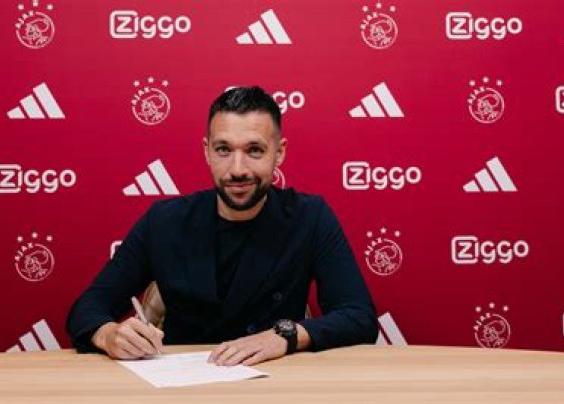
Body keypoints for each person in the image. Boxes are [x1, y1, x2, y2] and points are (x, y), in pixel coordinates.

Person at [66, 86, 377, 366]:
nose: (237, 169)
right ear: (207, 151)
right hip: (181, 387)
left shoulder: (310, 216)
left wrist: (285, 336)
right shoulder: (164, 220)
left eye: (254, 150)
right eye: (224, 150)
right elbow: (87, 308)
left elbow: (359, 317)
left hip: (274, 383)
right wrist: (108, 335)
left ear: (279, 152)